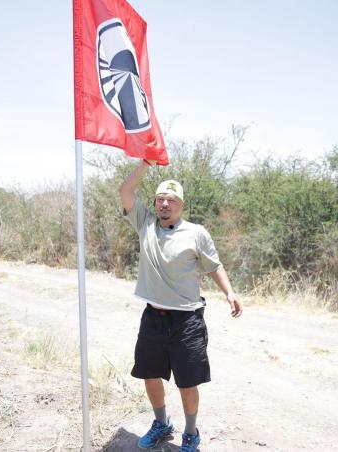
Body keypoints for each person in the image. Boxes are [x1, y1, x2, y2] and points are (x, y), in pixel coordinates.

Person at [119, 159, 243, 451]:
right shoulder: (145, 223)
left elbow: (214, 265)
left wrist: (229, 292)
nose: (165, 204)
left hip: (187, 320)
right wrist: (146, 163)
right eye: (160, 199)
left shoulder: (196, 233)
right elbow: (125, 190)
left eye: (171, 200)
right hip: (153, 316)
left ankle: (190, 433)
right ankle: (161, 424)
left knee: (187, 382)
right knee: (149, 374)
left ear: (181, 205)